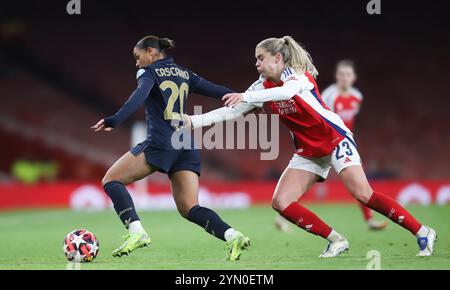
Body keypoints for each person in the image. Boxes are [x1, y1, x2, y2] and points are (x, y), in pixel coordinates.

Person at [184, 36, 437, 257]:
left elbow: (285, 94)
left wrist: (248, 96)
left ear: (278, 57)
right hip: (309, 150)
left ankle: (423, 231)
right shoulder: (261, 86)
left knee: (363, 194)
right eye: (256, 60)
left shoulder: (299, 77)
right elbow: (232, 112)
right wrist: (193, 121)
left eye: (261, 58)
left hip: (335, 138)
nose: (257, 64)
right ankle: (336, 241)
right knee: (281, 202)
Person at [91, 35, 250, 260]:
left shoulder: (148, 72)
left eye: (138, 57)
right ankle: (233, 236)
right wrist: (247, 101)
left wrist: (114, 120)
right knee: (190, 208)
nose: (137, 63)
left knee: (111, 180)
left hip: (161, 142)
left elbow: (139, 96)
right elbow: (217, 90)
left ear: (151, 52)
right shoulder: (185, 73)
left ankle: (137, 232)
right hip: (185, 143)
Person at [275, 60, 388, 232]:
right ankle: (283, 213)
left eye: (348, 74)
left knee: (358, 186)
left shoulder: (357, 96)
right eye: (341, 74)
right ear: (337, 76)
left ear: (354, 77)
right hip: (324, 142)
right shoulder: (330, 95)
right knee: (309, 181)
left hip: (342, 141)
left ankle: (369, 219)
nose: (344, 78)